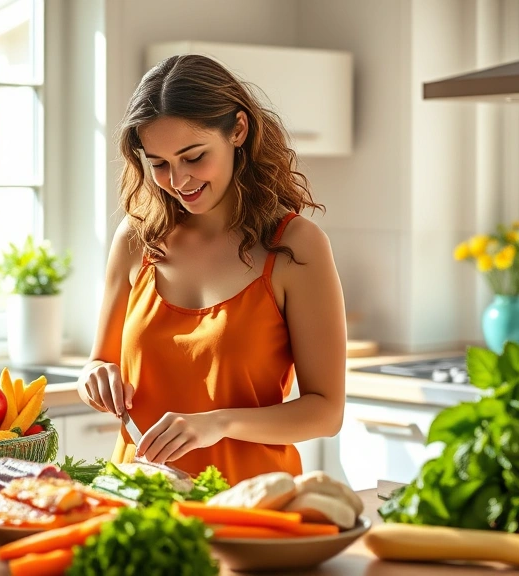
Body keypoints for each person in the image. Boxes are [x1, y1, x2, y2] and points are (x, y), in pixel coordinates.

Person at [76, 54, 347, 484]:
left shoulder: (295, 247)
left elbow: (325, 411)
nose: (178, 180)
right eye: (159, 164)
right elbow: (99, 362)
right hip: (138, 500)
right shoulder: (136, 238)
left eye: (194, 156)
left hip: (248, 504)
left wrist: (216, 424)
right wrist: (94, 377)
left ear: (238, 130)